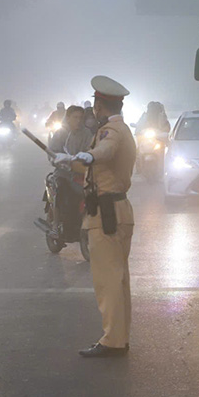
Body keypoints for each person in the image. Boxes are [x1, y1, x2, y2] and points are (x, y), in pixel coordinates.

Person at [70, 76, 136, 358]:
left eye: (95, 105)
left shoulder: (111, 132)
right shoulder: (120, 129)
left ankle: (112, 340)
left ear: (99, 105)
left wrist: (89, 156)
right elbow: (97, 167)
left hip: (108, 214)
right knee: (118, 281)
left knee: (108, 282)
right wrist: (70, 161)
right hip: (117, 211)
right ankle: (119, 337)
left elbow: (104, 153)